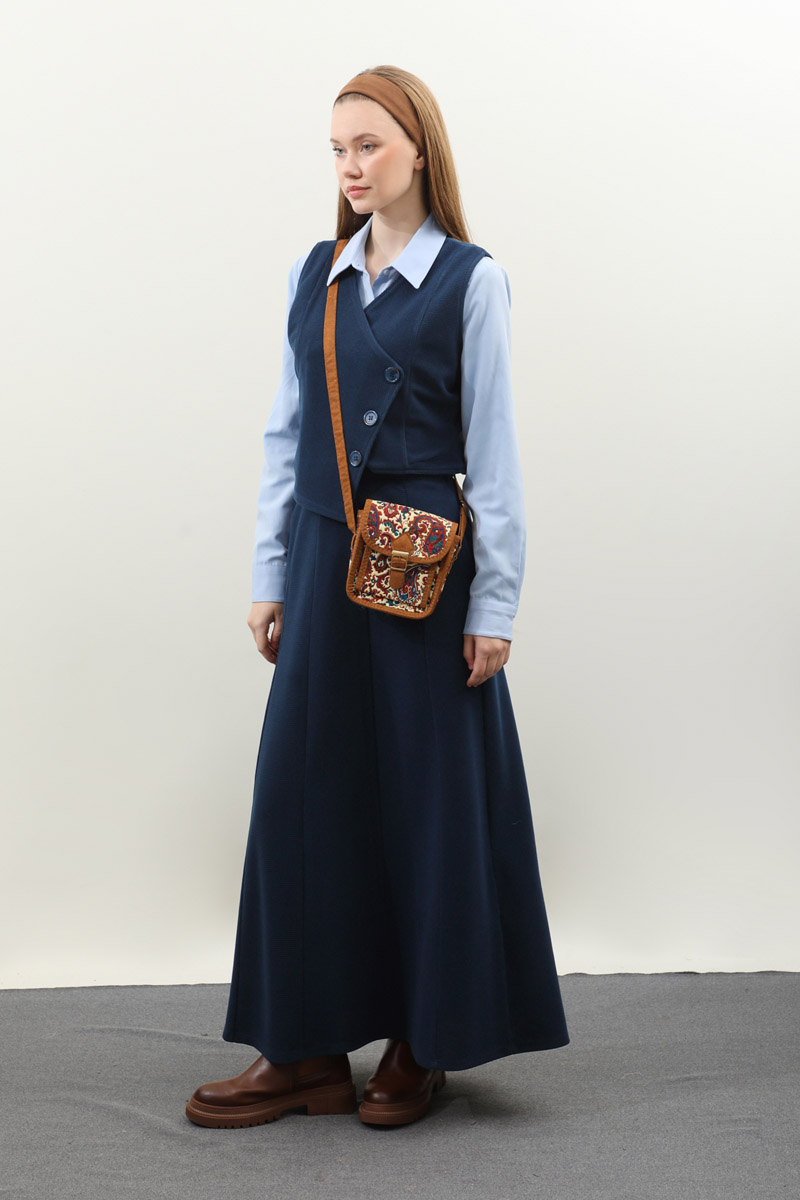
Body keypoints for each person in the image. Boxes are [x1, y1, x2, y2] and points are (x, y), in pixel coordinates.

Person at [186, 64, 569, 1131]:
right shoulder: (317, 274)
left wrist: (495, 606)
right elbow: (284, 434)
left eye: (369, 145)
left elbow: (494, 453)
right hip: (322, 561)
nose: (350, 168)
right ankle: (303, 1048)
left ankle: (420, 1040)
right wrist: (269, 574)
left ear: (418, 149)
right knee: (303, 796)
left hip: (424, 571)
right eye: (337, 150)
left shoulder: (472, 281)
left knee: (426, 801)